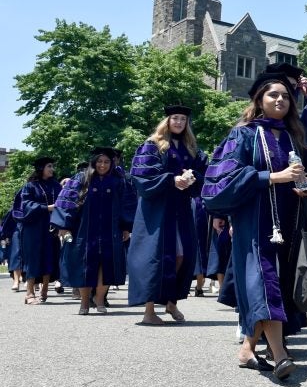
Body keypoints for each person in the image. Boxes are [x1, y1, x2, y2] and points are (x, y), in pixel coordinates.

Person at [203, 72, 307, 381]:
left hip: (291, 223)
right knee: (265, 280)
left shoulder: (296, 137)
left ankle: (247, 350)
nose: (280, 100)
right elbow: (223, 179)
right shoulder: (243, 135)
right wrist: (271, 177)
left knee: (280, 284)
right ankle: (280, 354)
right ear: (259, 100)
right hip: (256, 225)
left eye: (285, 96)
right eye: (273, 95)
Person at [127, 105, 208, 325]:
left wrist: (192, 178)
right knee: (155, 257)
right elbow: (142, 176)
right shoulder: (152, 146)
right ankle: (149, 311)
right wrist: (171, 179)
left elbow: (203, 172)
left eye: (183, 119)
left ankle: (171, 302)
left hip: (180, 209)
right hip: (157, 210)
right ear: (167, 121)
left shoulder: (189, 148)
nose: (180, 122)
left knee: (182, 256)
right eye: (175, 118)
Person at [51, 147, 133, 315]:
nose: (103, 165)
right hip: (84, 229)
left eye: (107, 162)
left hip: (111, 230)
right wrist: (64, 226)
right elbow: (66, 202)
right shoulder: (81, 178)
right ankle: (84, 303)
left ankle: (100, 300)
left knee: (106, 265)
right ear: (93, 162)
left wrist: (126, 226)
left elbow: (128, 204)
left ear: (112, 163)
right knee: (84, 265)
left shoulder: (119, 180)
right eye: (100, 161)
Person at [15, 157, 62, 304]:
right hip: (33, 228)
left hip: (51, 226)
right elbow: (26, 205)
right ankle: (29, 294)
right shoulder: (30, 186)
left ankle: (44, 291)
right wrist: (46, 208)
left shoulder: (56, 186)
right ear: (41, 168)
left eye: (52, 166)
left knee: (49, 256)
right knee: (33, 258)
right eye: (49, 166)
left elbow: (64, 203)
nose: (52, 169)